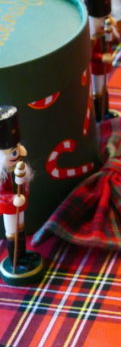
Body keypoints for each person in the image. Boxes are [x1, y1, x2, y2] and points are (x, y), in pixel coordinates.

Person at [0, 105, 45, 285]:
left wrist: (23, 188)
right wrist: (12, 199)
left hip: (20, 204)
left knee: (21, 228)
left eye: (16, 150)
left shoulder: (17, 165)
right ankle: (15, 261)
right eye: (12, 152)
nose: (16, 155)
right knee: (12, 232)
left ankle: (23, 256)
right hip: (9, 208)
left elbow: (24, 180)